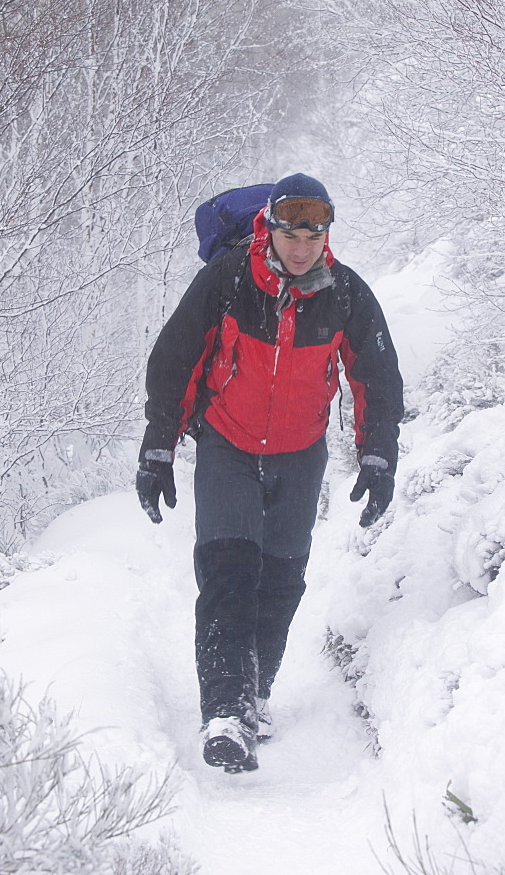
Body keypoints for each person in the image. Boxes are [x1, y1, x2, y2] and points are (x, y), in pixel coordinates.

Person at [136, 173, 403, 773]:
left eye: (315, 235)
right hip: (228, 445)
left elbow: (378, 378)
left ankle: (255, 693)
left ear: (325, 234)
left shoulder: (346, 295)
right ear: (271, 228)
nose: (303, 247)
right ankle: (225, 712)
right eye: (292, 233)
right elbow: (175, 360)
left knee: (281, 582)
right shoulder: (228, 281)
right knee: (229, 574)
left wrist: (379, 454)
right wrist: (159, 447)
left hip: (300, 453)